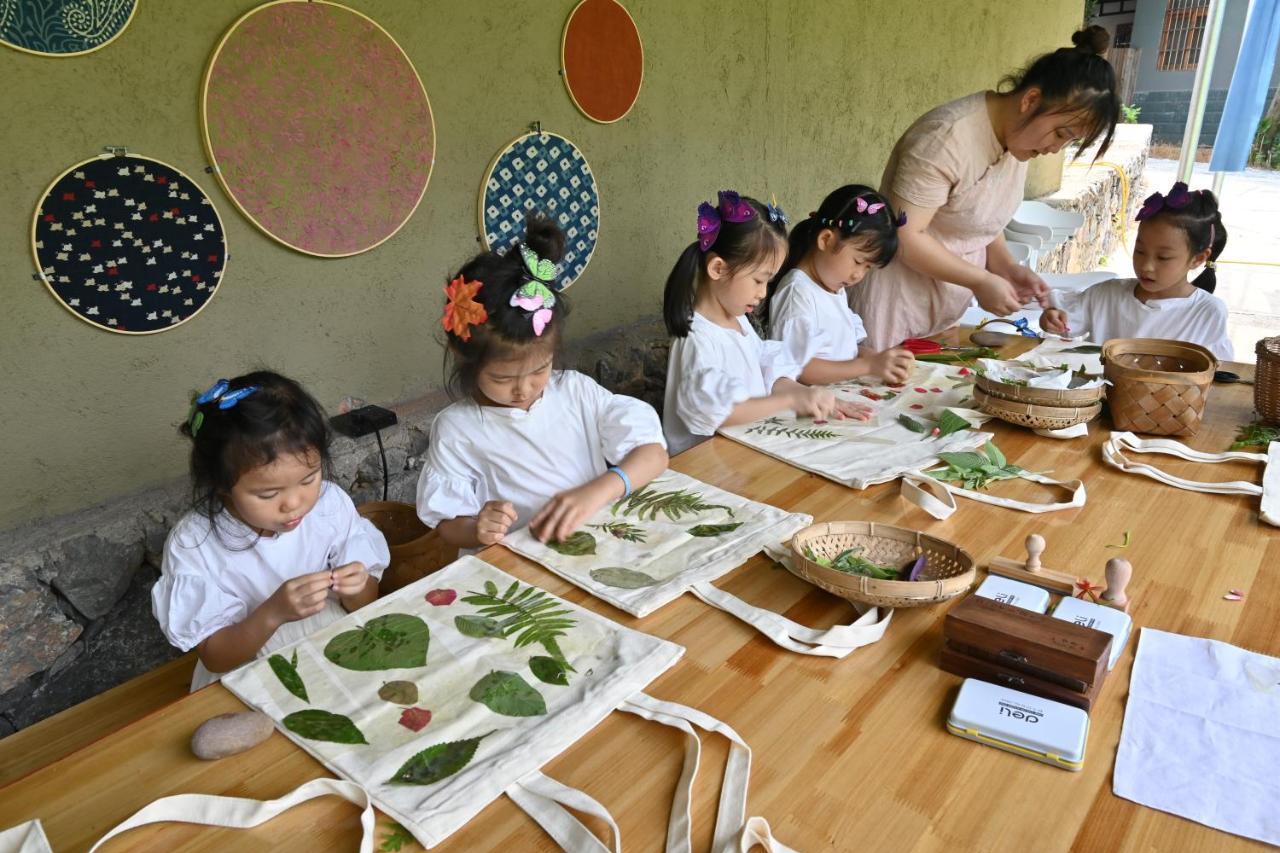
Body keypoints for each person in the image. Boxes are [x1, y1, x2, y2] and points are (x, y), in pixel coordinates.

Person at [850, 25, 1120, 350]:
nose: (1055, 149)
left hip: (945, 308)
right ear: (1031, 100)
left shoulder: (1017, 141)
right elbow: (905, 237)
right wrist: (980, 280)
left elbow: (981, 217)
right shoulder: (945, 138)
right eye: (1060, 134)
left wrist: (1006, 268)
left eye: (1069, 141)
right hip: (895, 303)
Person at [416, 214, 668, 550]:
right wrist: (478, 527)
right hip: (520, 565)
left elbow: (653, 455)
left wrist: (599, 490)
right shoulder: (458, 429)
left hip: (593, 545)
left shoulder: (577, 393)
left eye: (540, 370)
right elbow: (447, 523)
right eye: (502, 378)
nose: (524, 389)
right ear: (466, 360)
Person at [152, 371, 389, 691]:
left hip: (333, 648)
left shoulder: (329, 505)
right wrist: (273, 613)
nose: (293, 503)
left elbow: (365, 603)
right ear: (221, 484)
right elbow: (216, 658)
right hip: (249, 674)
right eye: (267, 494)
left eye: (308, 479)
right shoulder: (196, 543)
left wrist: (357, 586)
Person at [663, 190, 871, 455]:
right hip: (704, 468)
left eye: (768, 282)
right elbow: (720, 413)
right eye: (759, 280)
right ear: (717, 269)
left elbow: (765, 368)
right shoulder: (697, 339)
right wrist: (787, 401)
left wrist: (808, 395)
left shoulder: (738, 320)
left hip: (743, 453)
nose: (763, 293)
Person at [1041, 181, 1233, 359]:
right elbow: (1063, 321)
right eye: (1140, 251)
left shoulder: (1207, 312)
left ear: (1198, 259)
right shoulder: (1106, 295)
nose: (1146, 266)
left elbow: (1217, 372)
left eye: (1163, 257)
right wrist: (1051, 319)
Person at [766, 184, 915, 385]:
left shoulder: (833, 287)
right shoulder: (797, 293)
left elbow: (845, 352)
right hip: (809, 406)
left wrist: (880, 359)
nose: (858, 275)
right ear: (826, 239)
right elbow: (800, 368)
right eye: (858, 262)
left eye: (867, 268)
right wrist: (869, 366)